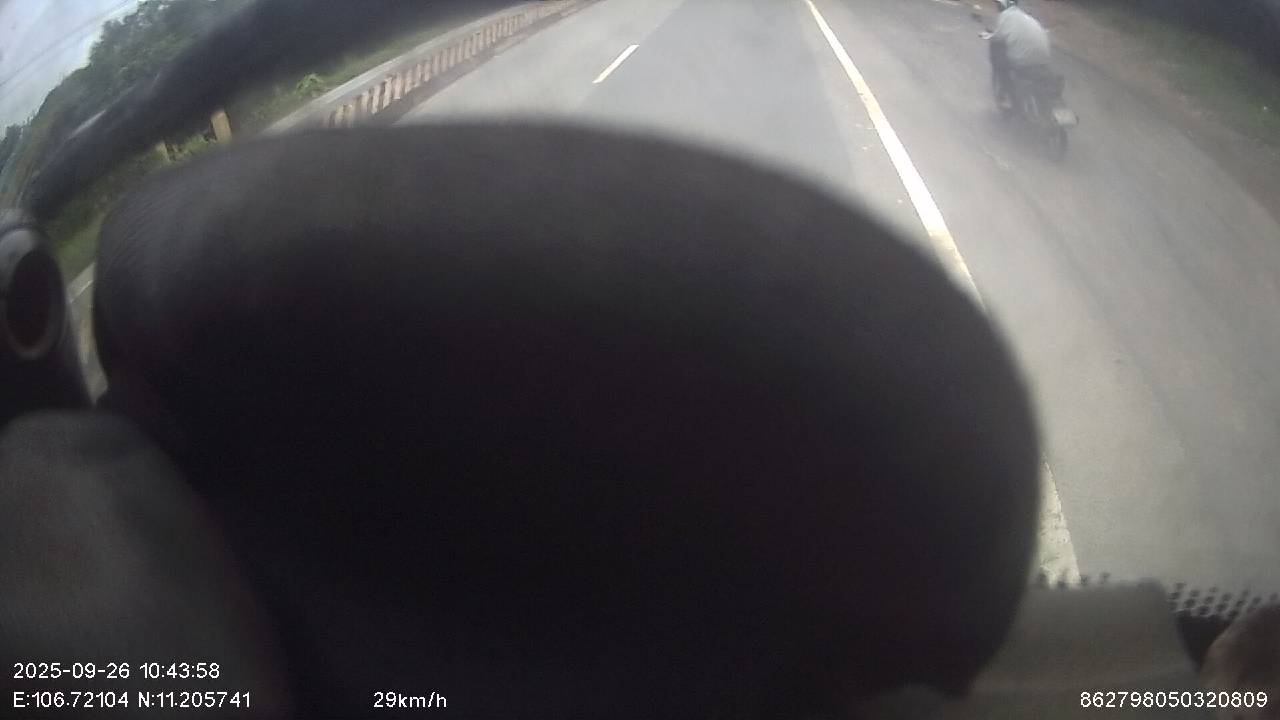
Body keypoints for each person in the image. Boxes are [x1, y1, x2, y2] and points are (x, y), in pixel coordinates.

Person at [988, 0, 1052, 110]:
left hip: (1023, 61)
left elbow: (998, 37)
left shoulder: (1005, 16)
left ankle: (1006, 92)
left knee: (997, 53)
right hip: (1044, 59)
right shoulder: (1026, 17)